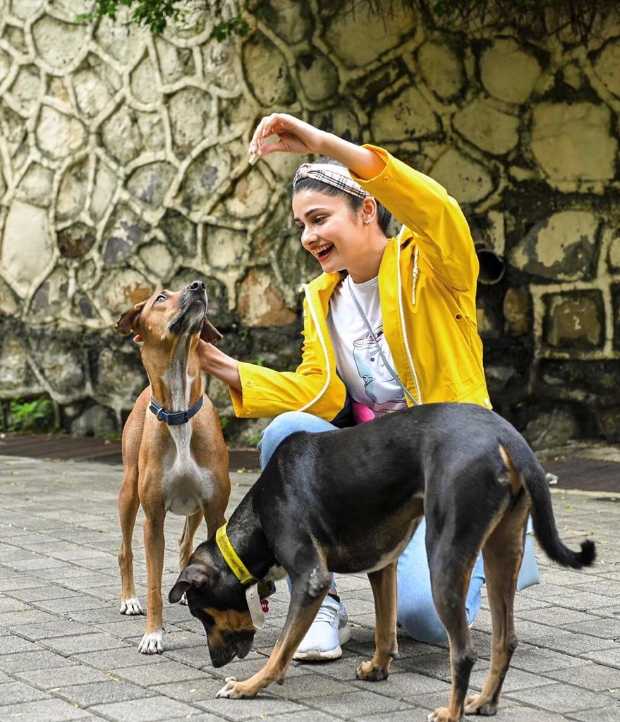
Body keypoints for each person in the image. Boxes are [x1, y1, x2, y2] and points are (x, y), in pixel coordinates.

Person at [197, 113, 491, 660]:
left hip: (448, 467)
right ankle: (320, 596)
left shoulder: (434, 267)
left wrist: (326, 145)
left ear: (367, 210)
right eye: (301, 225)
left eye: (318, 218)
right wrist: (222, 367)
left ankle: (493, 545)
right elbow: (320, 394)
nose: (308, 236)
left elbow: (439, 210)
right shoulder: (322, 299)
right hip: (379, 476)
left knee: (424, 621)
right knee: (288, 435)